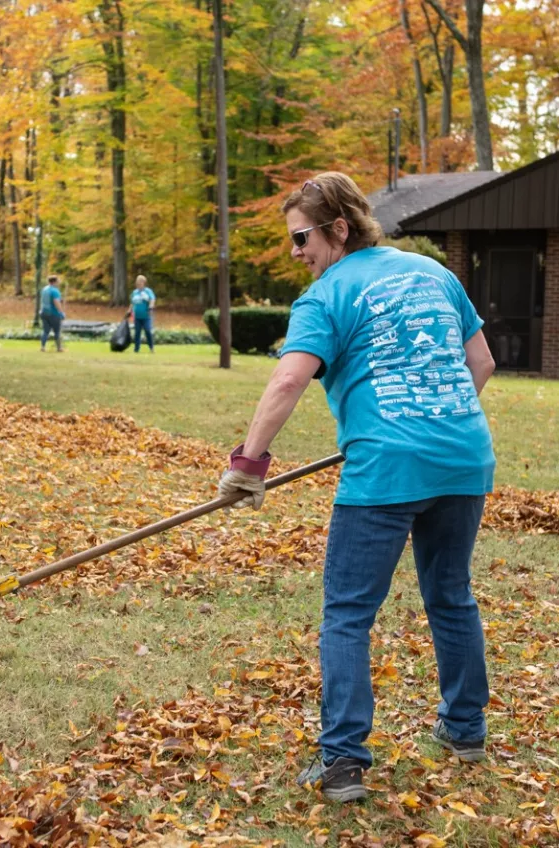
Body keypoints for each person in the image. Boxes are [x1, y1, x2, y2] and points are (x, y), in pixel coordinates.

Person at [216, 172, 496, 803]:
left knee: (347, 614)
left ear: (338, 229)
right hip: (463, 457)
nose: (296, 253)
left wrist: (248, 465)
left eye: (301, 238)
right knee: (451, 597)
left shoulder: (325, 296)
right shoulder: (432, 272)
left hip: (386, 473)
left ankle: (343, 760)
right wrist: (433, 420)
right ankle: (466, 730)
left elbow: (287, 383)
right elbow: (482, 362)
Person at [127, 274, 156, 352]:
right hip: (137, 317)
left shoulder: (148, 291)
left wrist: (150, 307)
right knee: (137, 332)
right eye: (137, 283)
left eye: (140, 283)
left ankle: (151, 347)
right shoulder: (135, 292)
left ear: (144, 283)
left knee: (147, 330)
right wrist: (129, 311)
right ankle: (136, 349)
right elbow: (132, 303)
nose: (138, 284)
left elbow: (152, 299)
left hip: (146, 316)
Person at [39, 274, 65, 352]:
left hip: (44, 312)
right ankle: (59, 347)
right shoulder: (55, 291)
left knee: (45, 330)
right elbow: (56, 302)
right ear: (54, 282)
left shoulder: (44, 289)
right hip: (53, 313)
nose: (59, 283)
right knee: (57, 331)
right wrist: (61, 312)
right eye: (58, 281)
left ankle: (43, 347)